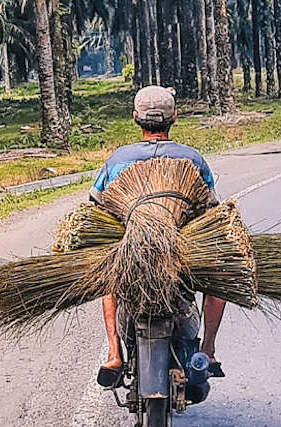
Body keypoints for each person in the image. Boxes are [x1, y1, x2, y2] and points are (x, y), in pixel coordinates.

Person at [92, 85, 227, 389]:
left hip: (132, 250)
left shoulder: (117, 161)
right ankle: (208, 349)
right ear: (174, 117)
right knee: (220, 274)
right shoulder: (191, 159)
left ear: (135, 118)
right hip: (182, 253)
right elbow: (211, 209)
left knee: (108, 275)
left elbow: (97, 207)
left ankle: (114, 354)